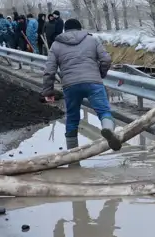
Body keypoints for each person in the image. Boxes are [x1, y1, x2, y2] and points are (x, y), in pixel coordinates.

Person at [42, 18, 122, 152]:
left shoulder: (56, 45)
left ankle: (72, 156)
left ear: (65, 30)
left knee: (72, 119)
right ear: (80, 29)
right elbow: (106, 59)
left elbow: (49, 71)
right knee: (104, 112)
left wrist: (48, 92)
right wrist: (100, 74)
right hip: (93, 82)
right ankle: (107, 128)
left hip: (70, 85)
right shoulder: (92, 40)